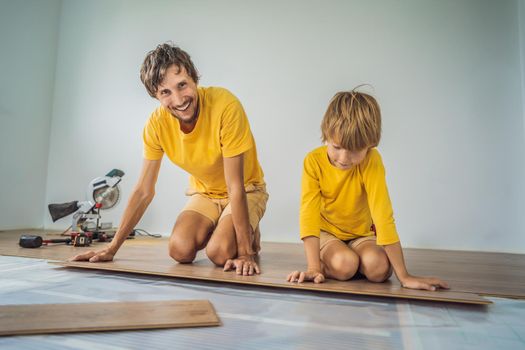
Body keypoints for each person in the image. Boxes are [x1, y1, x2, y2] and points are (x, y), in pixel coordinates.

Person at [72, 43, 268, 276]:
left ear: (194, 78)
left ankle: (246, 235)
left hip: (246, 189)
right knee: (179, 251)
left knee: (220, 253)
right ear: (156, 95)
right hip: (205, 194)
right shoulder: (156, 125)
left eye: (182, 85)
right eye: (165, 92)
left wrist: (245, 253)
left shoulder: (226, 105)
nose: (178, 100)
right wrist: (112, 248)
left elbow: (235, 186)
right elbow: (144, 190)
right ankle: (224, 228)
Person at [287, 89, 448, 291]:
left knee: (379, 269)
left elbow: (382, 215)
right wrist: (313, 267)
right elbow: (308, 214)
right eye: (336, 147)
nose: (344, 159)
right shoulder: (313, 161)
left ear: (370, 145)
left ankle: (353, 262)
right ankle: (335, 264)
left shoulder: (372, 161)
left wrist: (404, 276)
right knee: (345, 265)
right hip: (328, 232)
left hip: (361, 234)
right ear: (326, 135)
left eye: (354, 150)